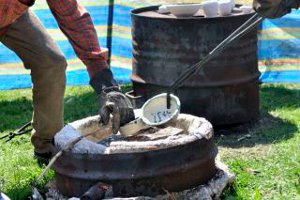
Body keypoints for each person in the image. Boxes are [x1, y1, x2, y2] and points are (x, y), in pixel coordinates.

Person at [0, 0, 134, 163]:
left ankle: (48, 147)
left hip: (12, 13)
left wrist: (105, 81)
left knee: (51, 63)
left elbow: (73, 16)